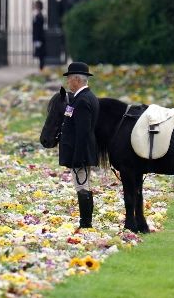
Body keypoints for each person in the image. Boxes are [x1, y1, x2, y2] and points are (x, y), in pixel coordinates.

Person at [59, 61, 100, 228]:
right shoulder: (83, 97)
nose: (68, 82)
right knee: (84, 185)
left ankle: (86, 223)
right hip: (81, 151)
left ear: (76, 79)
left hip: (80, 152)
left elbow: (82, 132)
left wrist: (78, 156)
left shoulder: (82, 100)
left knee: (82, 186)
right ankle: (86, 221)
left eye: (69, 79)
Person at [33, 0, 46, 70]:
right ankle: (41, 68)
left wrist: (37, 39)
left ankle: (42, 68)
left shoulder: (39, 16)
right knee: (40, 54)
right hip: (38, 38)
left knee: (41, 54)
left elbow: (38, 29)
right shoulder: (38, 15)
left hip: (39, 38)